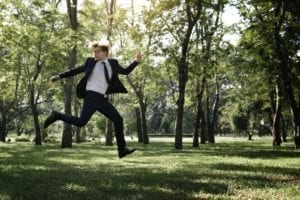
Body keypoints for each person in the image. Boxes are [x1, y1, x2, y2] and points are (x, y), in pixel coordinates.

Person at [44, 41, 141, 158]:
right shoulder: (90, 62)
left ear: (105, 52)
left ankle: (122, 150)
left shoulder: (113, 63)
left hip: (102, 98)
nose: (95, 54)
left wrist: (136, 61)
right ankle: (56, 115)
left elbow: (125, 72)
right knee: (81, 122)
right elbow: (76, 70)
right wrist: (59, 76)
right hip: (90, 97)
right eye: (94, 52)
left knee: (118, 119)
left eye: (98, 51)